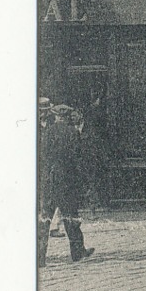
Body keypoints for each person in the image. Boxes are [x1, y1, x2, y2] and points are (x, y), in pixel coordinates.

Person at [38, 105, 93, 266]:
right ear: (67, 117)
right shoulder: (72, 132)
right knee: (71, 217)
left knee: (44, 219)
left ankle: (40, 257)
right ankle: (77, 252)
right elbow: (77, 159)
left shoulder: (47, 132)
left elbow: (42, 156)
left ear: (55, 116)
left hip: (48, 180)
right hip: (67, 181)